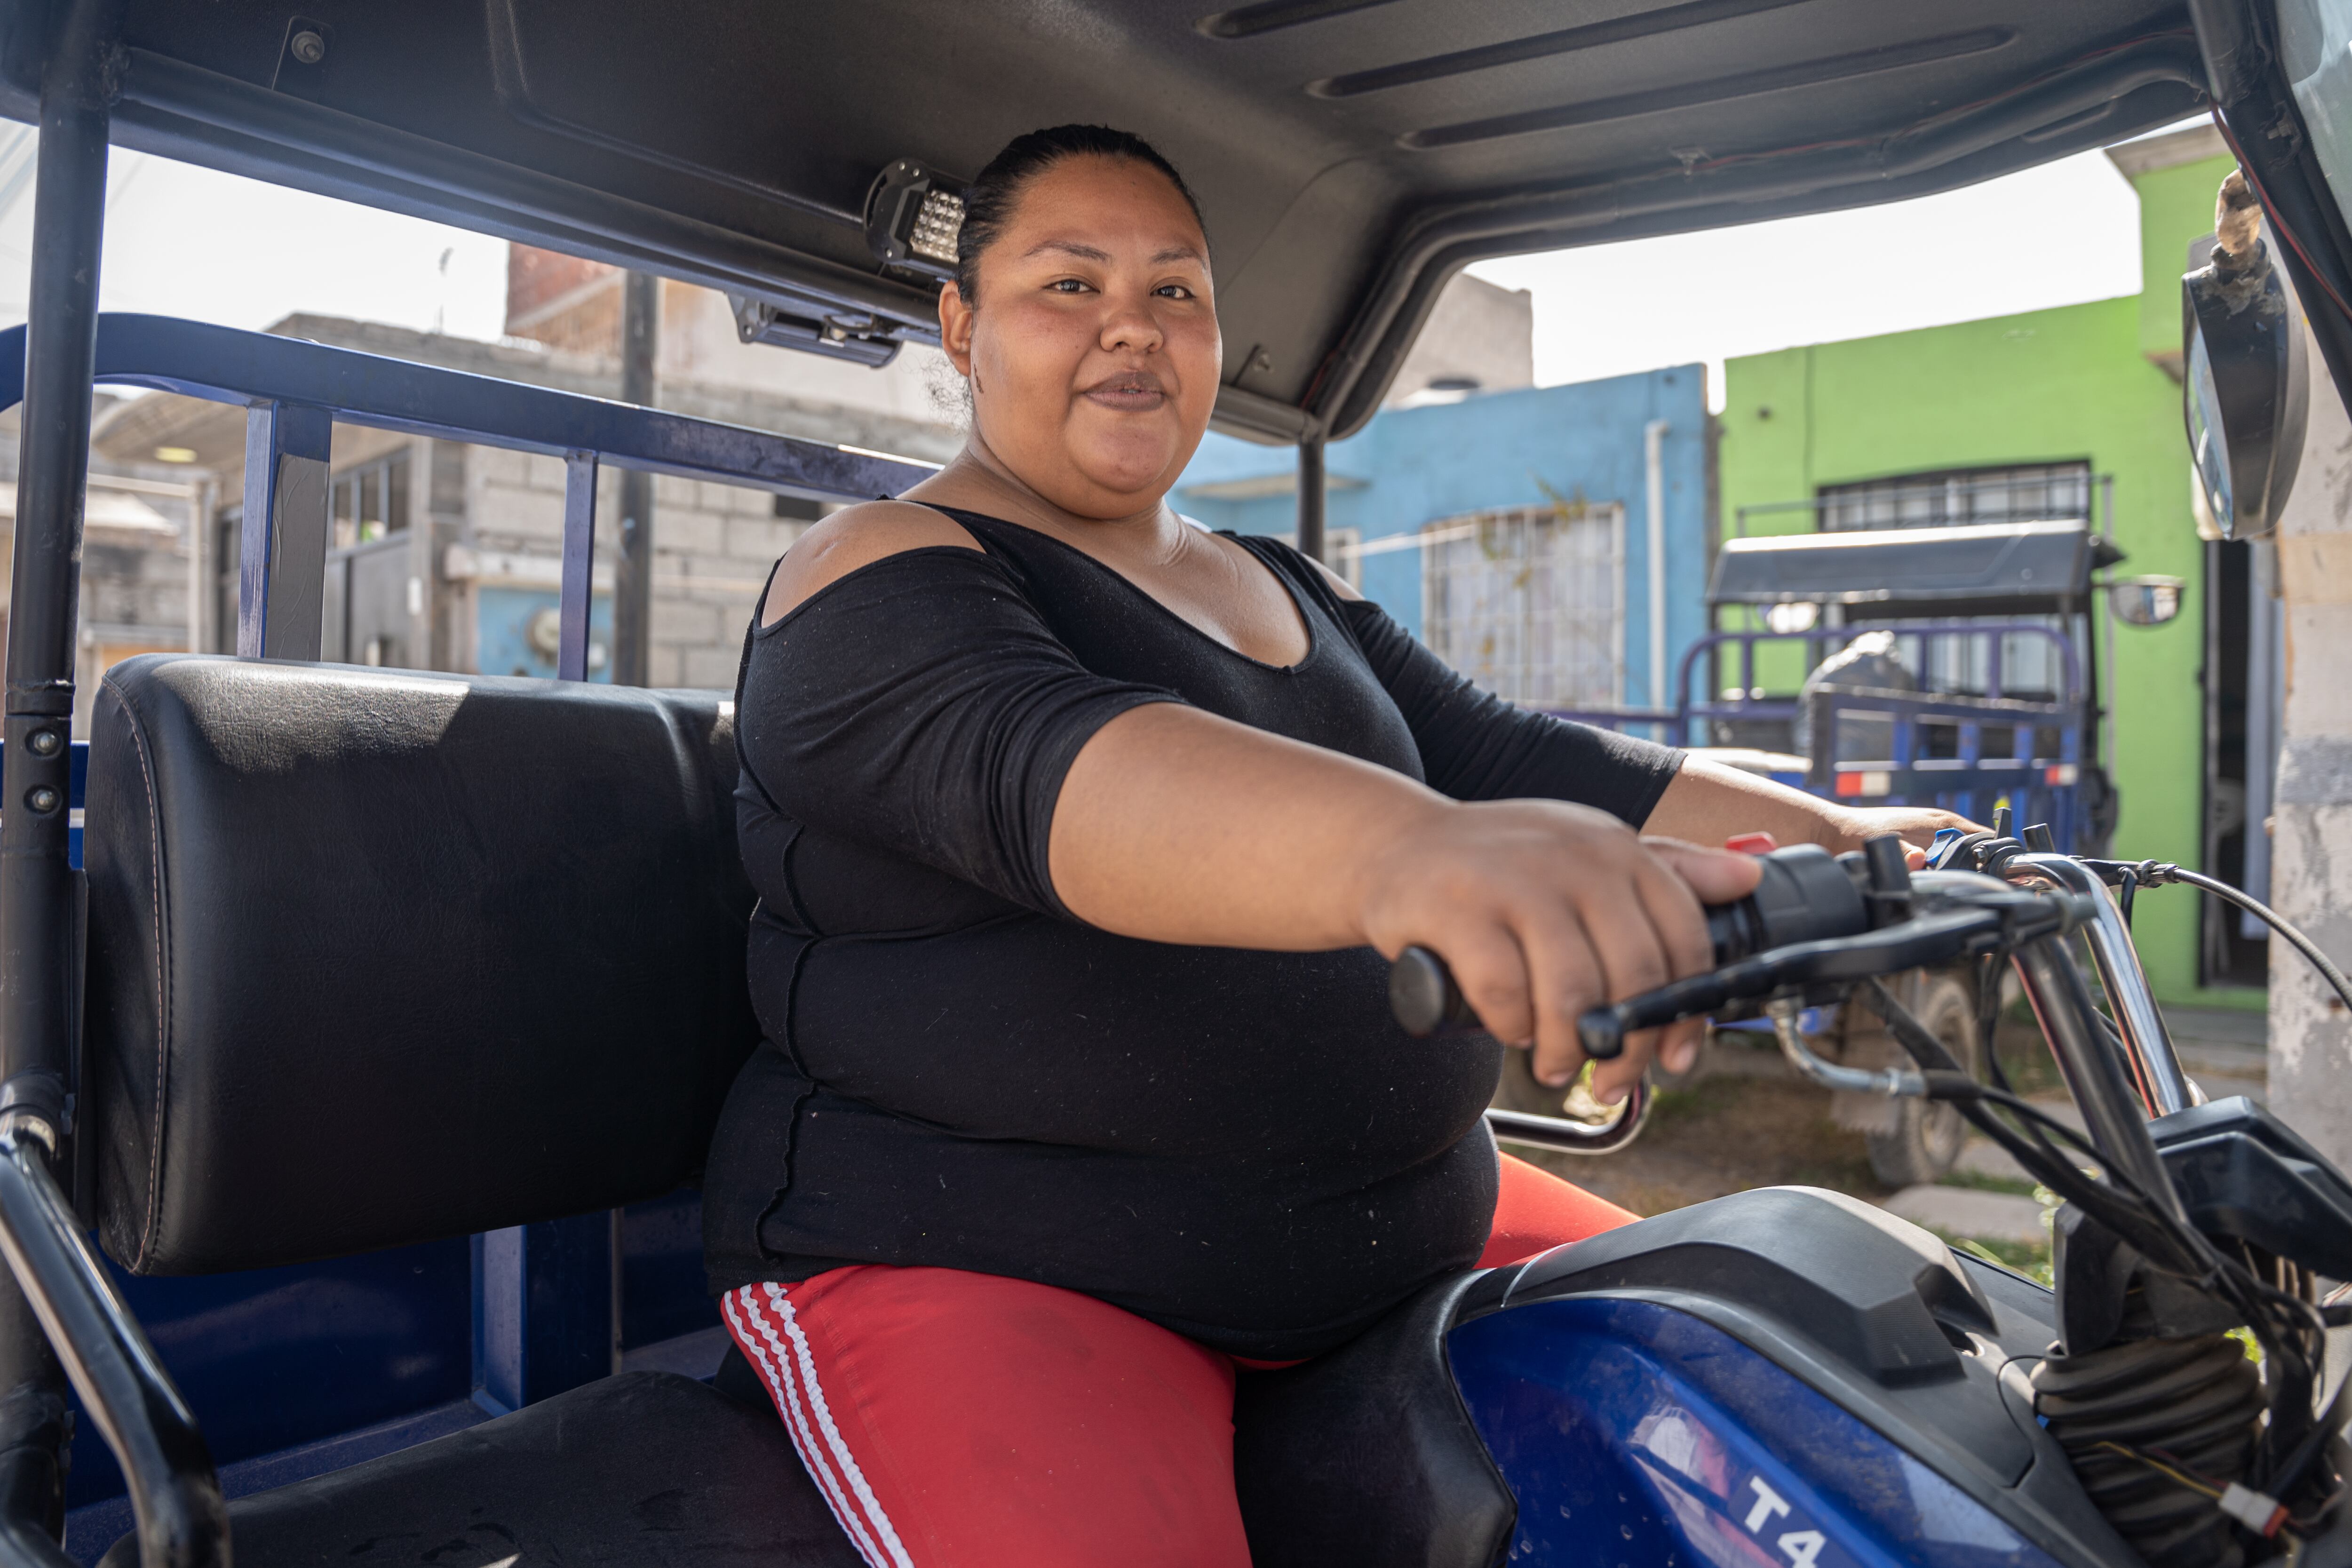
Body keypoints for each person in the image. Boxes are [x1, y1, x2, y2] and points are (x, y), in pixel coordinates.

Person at [704, 124, 1970, 1568]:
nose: (1133, 328)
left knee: (1803, 1403)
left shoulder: (1286, 590)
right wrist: (1427, 859)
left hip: (1405, 1231)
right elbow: (1059, 769)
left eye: (1176, 291)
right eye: (1069, 285)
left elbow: (1534, 761)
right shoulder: (874, 571)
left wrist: (1861, 842)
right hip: (989, 1265)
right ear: (962, 328)